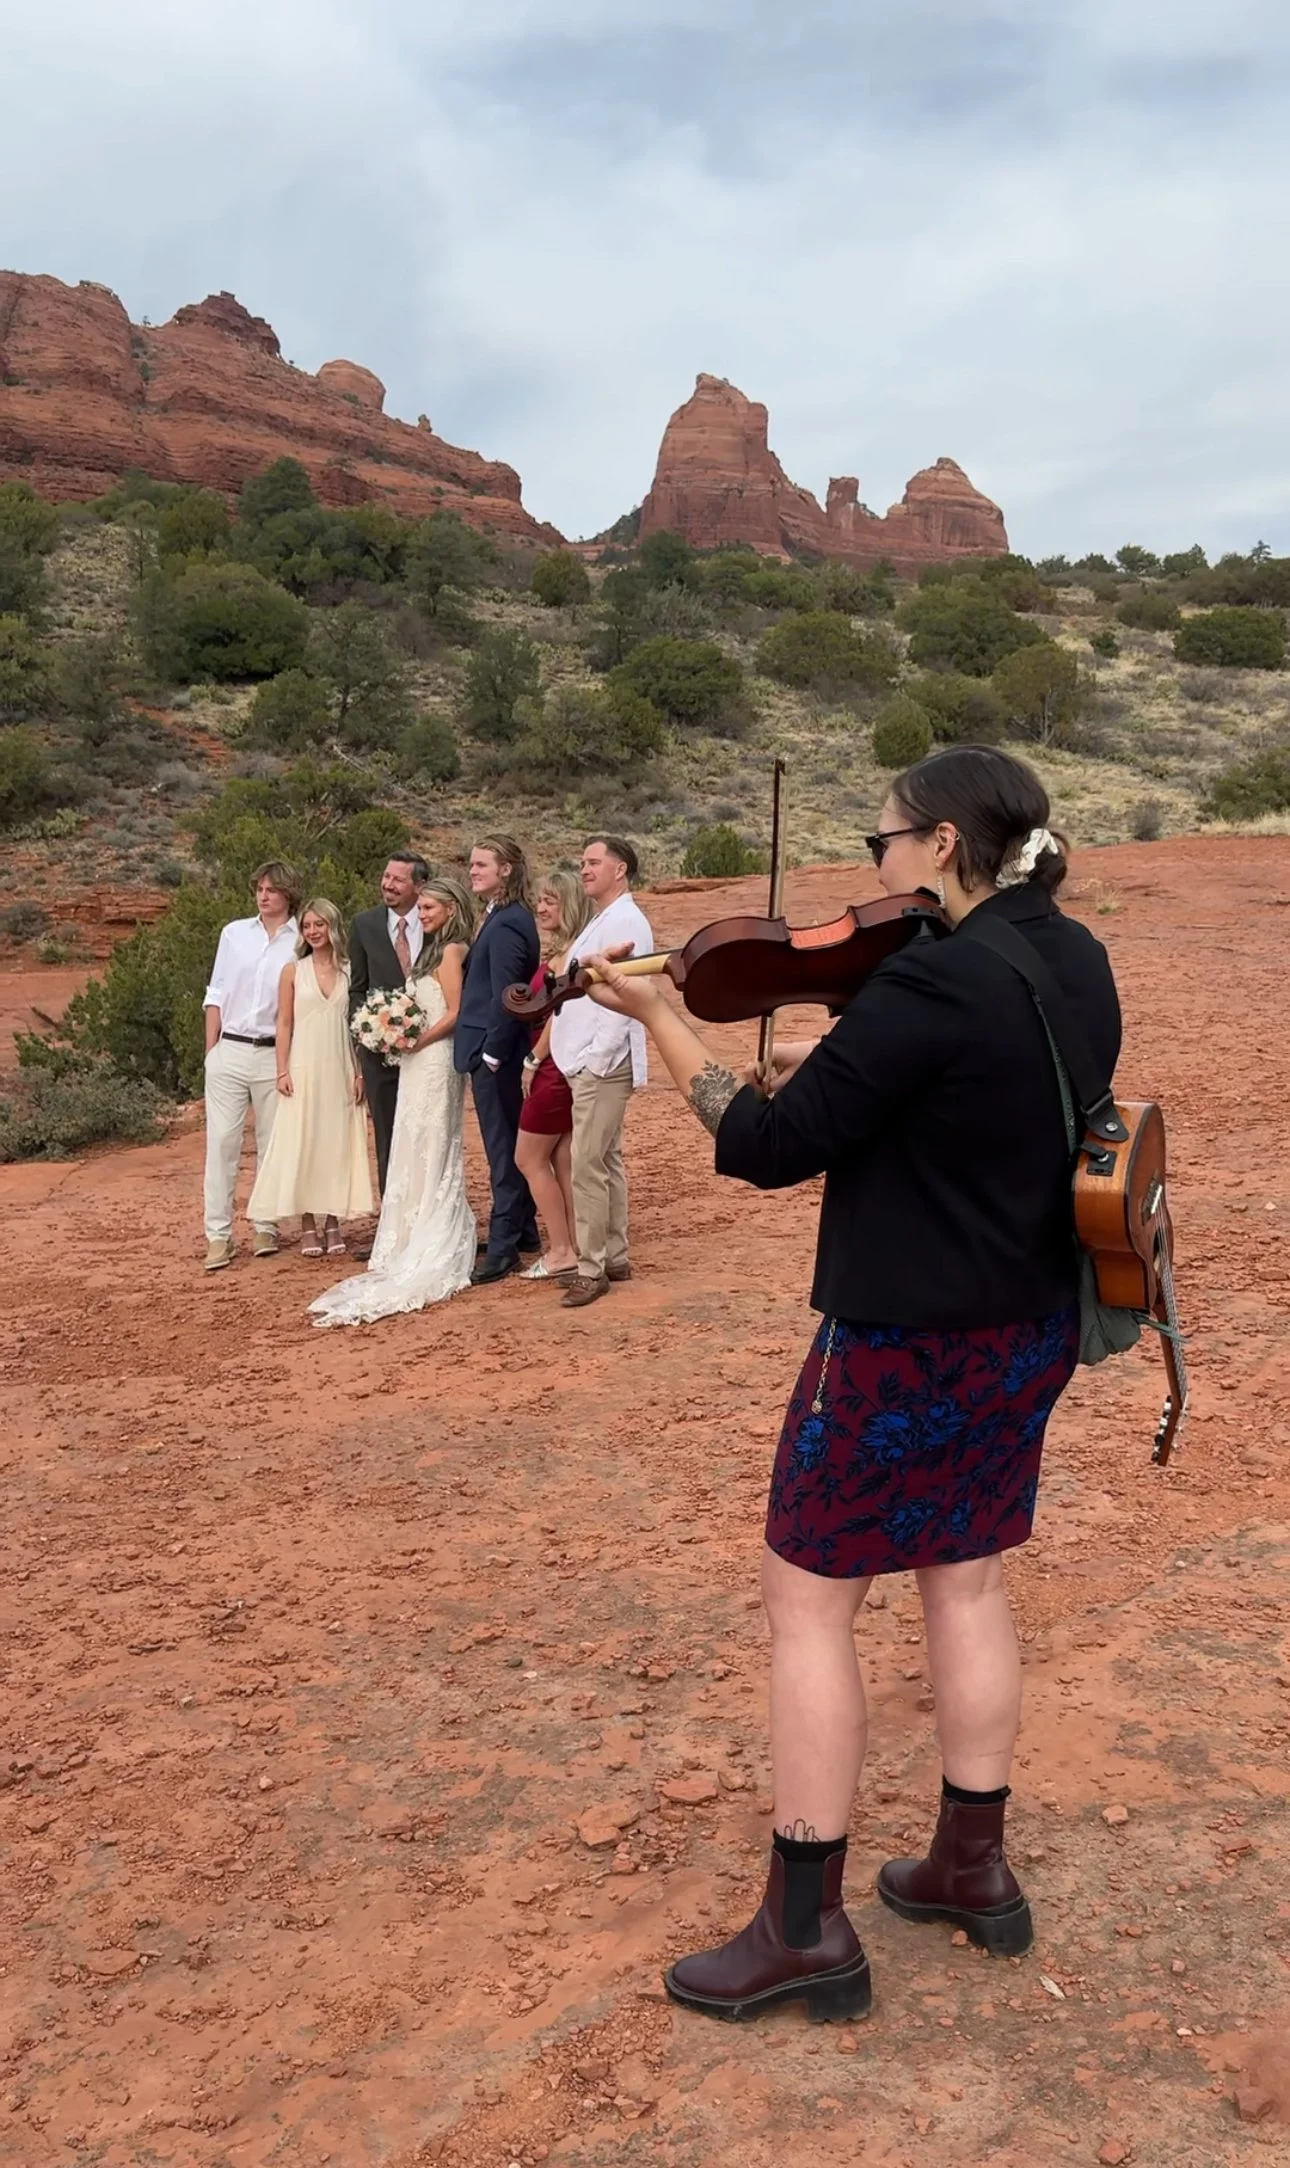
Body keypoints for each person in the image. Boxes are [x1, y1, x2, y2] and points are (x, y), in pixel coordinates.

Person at [581, 745, 1121, 2024]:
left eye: (881, 841)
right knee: (968, 1572)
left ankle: (806, 1925)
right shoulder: (1076, 955)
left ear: (941, 844)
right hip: (1029, 1324)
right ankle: (970, 1866)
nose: (869, 868)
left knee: (810, 1600)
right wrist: (842, 1079)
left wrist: (660, 1018)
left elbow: (766, 1147)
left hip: (902, 1338)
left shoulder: (928, 978)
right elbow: (965, 1110)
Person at [309, 878, 477, 1327]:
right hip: (415, 1059)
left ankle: (433, 1231)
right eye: (419, 909)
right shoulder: (429, 951)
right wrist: (392, 1031)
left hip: (437, 1059)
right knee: (410, 1139)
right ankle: (405, 1232)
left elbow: (458, 1012)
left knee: (435, 1140)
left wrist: (418, 1039)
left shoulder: (453, 951)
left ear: (450, 909)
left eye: (428, 908)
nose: (420, 915)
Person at [549, 834, 653, 1309]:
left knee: (587, 1163)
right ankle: (614, 1255)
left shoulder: (627, 920)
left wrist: (597, 1056)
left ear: (620, 870)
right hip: (590, 1060)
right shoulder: (604, 918)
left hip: (601, 1063)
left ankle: (591, 1269)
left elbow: (626, 996)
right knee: (605, 1158)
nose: (585, 869)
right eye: (583, 863)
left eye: (594, 862)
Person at [245, 898, 373, 1257]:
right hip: (302, 1067)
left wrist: (360, 1070)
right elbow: (283, 1023)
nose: (313, 931)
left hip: (341, 1066)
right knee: (303, 1142)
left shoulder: (350, 970)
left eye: (320, 924)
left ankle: (332, 1221)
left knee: (335, 1143)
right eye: (307, 926)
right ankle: (306, 1224)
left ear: (333, 926)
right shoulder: (292, 971)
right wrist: (281, 1070)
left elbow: (358, 1026)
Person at [201, 860, 301, 1271]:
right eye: (259, 888)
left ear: (288, 895)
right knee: (222, 1143)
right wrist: (212, 1051)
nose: (263, 896)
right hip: (230, 1050)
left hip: (274, 1053)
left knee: (271, 1142)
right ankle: (218, 1236)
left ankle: (266, 1224)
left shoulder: (302, 939)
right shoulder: (234, 934)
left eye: (272, 889)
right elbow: (217, 991)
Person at [453, 834, 540, 1285]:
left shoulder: (508, 923)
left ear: (506, 869)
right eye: (471, 864)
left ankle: (504, 1245)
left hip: (497, 1054)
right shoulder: (498, 916)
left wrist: (491, 1052)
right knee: (506, 1144)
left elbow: (510, 993)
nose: (473, 871)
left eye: (482, 864)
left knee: (503, 1150)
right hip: (492, 1050)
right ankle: (523, 1231)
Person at [517, 869, 595, 1283]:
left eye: (550, 901)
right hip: (561, 1065)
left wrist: (533, 1059)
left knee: (528, 1158)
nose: (542, 908)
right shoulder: (570, 949)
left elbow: (559, 1013)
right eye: (539, 901)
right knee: (562, 1158)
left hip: (550, 1067)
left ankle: (562, 1249)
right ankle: (576, 1245)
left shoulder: (570, 955)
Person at [347, 853, 432, 1196]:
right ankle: (392, 1222)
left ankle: (429, 1214)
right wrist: (366, 1033)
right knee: (387, 1134)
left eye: (398, 879)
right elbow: (358, 988)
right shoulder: (364, 924)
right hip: (379, 1052)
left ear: (420, 885)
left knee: (428, 1133)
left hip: (431, 1048)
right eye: (386, 877)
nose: (388, 884)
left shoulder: (435, 922)